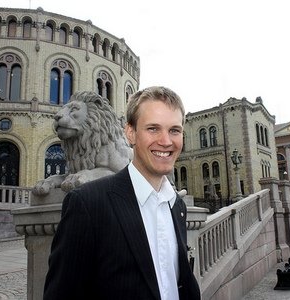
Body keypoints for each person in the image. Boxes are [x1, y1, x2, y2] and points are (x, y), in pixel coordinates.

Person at [43, 86, 201, 300]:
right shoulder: (86, 204)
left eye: (174, 130)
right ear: (130, 133)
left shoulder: (177, 206)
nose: (166, 141)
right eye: (153, 129)